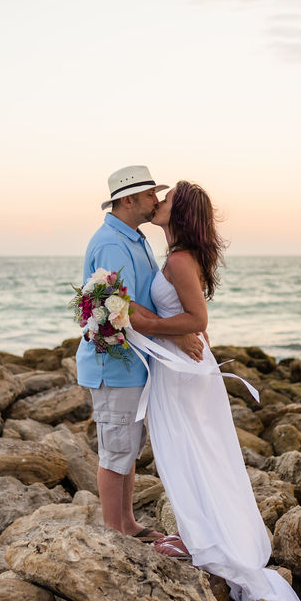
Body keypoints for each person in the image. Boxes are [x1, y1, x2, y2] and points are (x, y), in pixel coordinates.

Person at [130, 180, 301, 601]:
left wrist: (146, 323)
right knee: (195, 452)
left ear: (181, 214)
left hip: (183, 372)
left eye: (168, 201)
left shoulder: (180, 259)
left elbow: (196, 321)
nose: (158, 203)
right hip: (182, 369)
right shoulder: (180, 253)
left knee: (190, 452)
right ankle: (202, 531)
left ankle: (207, 539)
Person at [76, 165, 205, 542]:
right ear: (128, 199)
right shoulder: (113, 243)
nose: (156, 200)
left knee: (127, 449)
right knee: (115, 451)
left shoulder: (133, 237)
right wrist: (179, 334)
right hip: (115, 365)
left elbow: (143, 300)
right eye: (150, 194)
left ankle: (128, 523)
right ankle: (114, 533)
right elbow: (124, 307)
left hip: (136, 361)